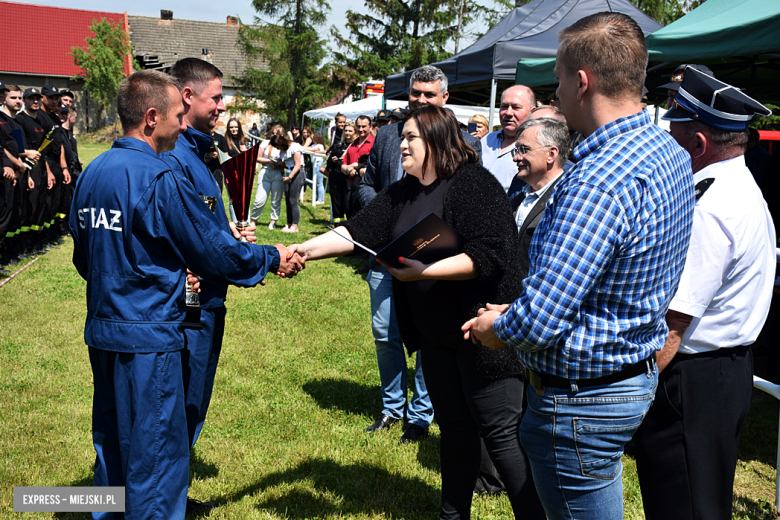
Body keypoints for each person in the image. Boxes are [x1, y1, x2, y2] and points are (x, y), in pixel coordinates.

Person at [462, 13, 695, 520]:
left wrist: (496, 325)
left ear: (583, 80)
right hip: (626, 377)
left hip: (579, 402)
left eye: (560, 79)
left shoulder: (597, 180)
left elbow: (542, 320)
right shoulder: (668, 152)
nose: (558, 92)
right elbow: (602, 279)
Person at [288, 104, 542, 520]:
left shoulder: (472, 184)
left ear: (437, 142)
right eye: (401, 137)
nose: (400, 144)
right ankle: (452, 515)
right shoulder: (403, 190)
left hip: (482, 333)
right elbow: (357, 231)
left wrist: (426, 270)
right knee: (455, 432)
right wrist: (304, 250)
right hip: (436, 336)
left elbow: (492, 255)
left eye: (410, 138)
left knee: (501, 438)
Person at [70, 69, 303, 520]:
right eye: (179, 114)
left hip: (103, 331)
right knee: (156, 457)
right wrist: (270, 257)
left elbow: (86, 259)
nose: (183, 124)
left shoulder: (93, 173)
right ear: (152, 117)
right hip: (150, 337)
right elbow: (212, 251)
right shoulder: (158, 177)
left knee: (114, 446)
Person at [633, 67, 775, 520]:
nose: (668, 142)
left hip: (692, 378)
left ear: (698, 144)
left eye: (675, 131)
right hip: (716, 374)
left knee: (685, 504)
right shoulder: (734, 186)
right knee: (698, 499)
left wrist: (634, 390)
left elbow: (675, 322)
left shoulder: (713, 208)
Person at [162, 57, 271, 513]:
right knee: (180, 400)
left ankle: (171, 494)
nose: (223, 107)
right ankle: (161, 499)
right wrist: (266, 257)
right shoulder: (174, 156)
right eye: (217, 97)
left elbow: (206, 225)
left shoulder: (202, 152)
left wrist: (230, 233)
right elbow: (188, 239)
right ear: (187, 96)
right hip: (188, 300)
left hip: (208, 296)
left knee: (193, 397)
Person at [357, 65, 482, 444]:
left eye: (430, 95)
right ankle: (391, 407)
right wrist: (384, 213)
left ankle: (421, 415)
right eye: (416, 94)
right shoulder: (385, 137)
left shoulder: (463, 144)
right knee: (385, 332)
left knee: (431, 337)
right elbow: (365, 185)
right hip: (385, 255)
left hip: (434, 259)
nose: (421, 100)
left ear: (445, 98)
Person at [510, 118, 569, 278]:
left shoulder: (567, 201)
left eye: (524, 149)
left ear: (551, 154)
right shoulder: (517, 200)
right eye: (516, 150)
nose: (516, 158)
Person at [481, 85, 536, 191]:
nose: (508, 113)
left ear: (531, 111)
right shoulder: (486, 140)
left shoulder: (536, 147)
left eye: (516, 107)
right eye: (504, 106)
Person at [252, 126, 287, 229]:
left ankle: (273, 221)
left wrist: (280, 164)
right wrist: (269, 161)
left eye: (278, 133)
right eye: (273, 133)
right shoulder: (265, 143)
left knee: (276, 199)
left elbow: (289, 162)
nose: (275, 135)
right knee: (260, 199)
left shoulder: (285, 146)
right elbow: (257, 158)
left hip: (278, 172)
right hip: (266, 171)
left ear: (282, 134)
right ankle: (254, 219)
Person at [341, 115, 374, 217]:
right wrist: (347, 169)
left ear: (370, 127)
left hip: (365, 186)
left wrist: (355, 168)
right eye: (358, 126)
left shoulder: (374, 143)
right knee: (349, 211)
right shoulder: (353, 144)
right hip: (349, 185)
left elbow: (374, 166)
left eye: (364, 126)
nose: (361, 129)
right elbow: (343, 164)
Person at [327, 121, 356, 222]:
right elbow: (328, 164)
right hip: (336, 178)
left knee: (348, 204)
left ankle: (349, 227)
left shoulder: (356, 146)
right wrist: (333, 160)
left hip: (349, 180)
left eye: (350, 131)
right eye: (346, 131)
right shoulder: (338, 146)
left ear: (355, 132)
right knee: (336, 204)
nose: (347, 133)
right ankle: (337, 226)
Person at [280, 133, 305, 232]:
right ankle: (289, 223)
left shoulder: (295, 147)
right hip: (289, 173)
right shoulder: (283, 150)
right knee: (287, 200)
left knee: (293, 200)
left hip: (297, 174)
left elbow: (298, 165)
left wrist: (289, 177)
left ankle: (295, 226)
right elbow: (287, 163)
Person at [304, 133, 326, 204]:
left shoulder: (319, 145)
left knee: (319, 183)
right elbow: (309, 148)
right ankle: (318, 196)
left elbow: (311, 149)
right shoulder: (315, 145)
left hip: (318, 164)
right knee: (309, 181)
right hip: (314, 164)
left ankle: (321, 200)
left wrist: (303, 147)